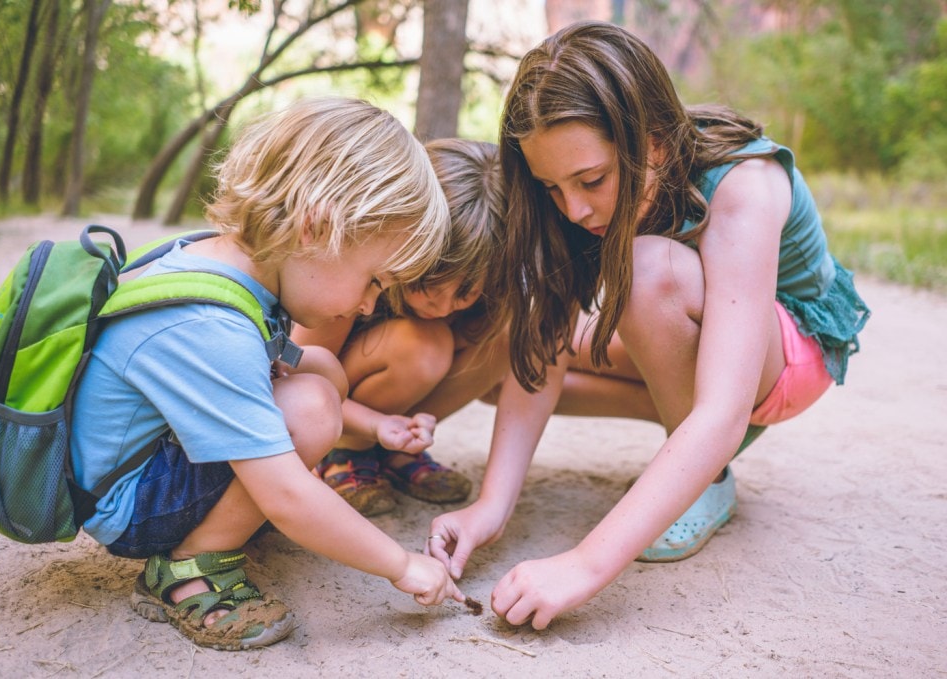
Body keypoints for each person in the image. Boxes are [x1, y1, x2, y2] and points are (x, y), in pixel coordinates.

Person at [425, 21, 871, 630]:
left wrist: (583, 564)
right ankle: (687, 447)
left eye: (591, 181)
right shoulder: (577, 197)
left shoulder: (745, 184)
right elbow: (548, 344)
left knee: (648, 270)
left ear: (653, 141)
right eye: (552, 188)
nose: (575, 208)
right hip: (707, 343)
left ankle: (704, 475)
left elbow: (721, 411)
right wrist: (490, 508)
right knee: (511, 361)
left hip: (791, 352)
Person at [69, 97, 463, 651]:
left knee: (319, 366)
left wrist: (375, 430)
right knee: (308, 408)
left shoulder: (216, 262)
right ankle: (187, 569)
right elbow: (288, 495)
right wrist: (402, 565)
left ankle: (222, 521)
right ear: (316, 228)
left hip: (148, 460)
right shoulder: (211, 326)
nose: (372, 306)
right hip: (131, 504)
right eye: (374, 280)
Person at [291, 138, 510, 517]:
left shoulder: (490, 286)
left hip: (382, 419)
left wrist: (395, 428)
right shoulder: (350, 272)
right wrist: (370, 424)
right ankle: (343, 450)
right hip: (325, 400)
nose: (440, 307)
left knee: (505, 339)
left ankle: (396, 448)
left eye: (465, 293)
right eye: (427, 283)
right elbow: (295, 376)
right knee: (422, 344)